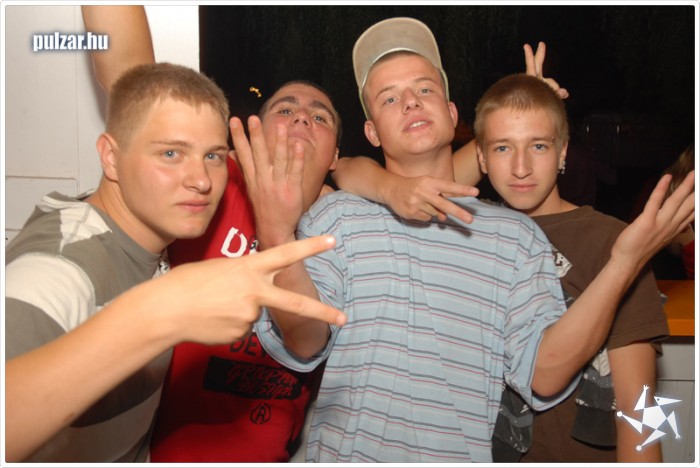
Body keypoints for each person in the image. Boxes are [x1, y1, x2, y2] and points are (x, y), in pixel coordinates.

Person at [233, 17, 693, 462]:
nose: (410, 103)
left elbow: (629, 402)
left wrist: (625, 262)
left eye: (425, 90)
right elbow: (306, 341)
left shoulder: (531, 238)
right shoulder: (338, 216)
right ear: (371, 132)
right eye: (390, 98)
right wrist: (278, 234)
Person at [4, 61, 347, 463]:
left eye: (212, 156)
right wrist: (163, 311)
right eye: (171, 153)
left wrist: (376, 180)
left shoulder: (156, 243)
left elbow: (307, 343)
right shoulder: (63, 264)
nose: (199, 179)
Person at [472, 73, 675, 462]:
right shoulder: (470, 235)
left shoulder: (612, 242)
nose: (520, 167)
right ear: (481, 158)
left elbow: (641, 406)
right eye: (502, 148)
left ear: (563, 152)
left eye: (538, 146)